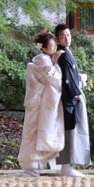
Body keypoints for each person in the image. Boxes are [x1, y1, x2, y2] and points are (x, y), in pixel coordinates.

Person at [17, 30, 65, 177]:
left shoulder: (46, 59)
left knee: (39, 133)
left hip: (41, 103)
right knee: (34, 133)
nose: (54, 48)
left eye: (54, 45)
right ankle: (30, 166)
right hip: (39, 103)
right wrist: (57, 64)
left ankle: (36, 166)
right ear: (43, 48)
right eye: (51, 46)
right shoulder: (42, 60)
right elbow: (55, 80)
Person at [54, 23, 91, 177]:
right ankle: (66, 166)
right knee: (69, 132)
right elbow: (67, 79)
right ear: (57, 38)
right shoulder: (62, 55)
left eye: (68, 35)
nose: (66, 38)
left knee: (73, 132)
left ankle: (68, 165)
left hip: (71, 98)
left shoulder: (66, 53)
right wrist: (76, 95)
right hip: (69, 99)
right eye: (62, 36)